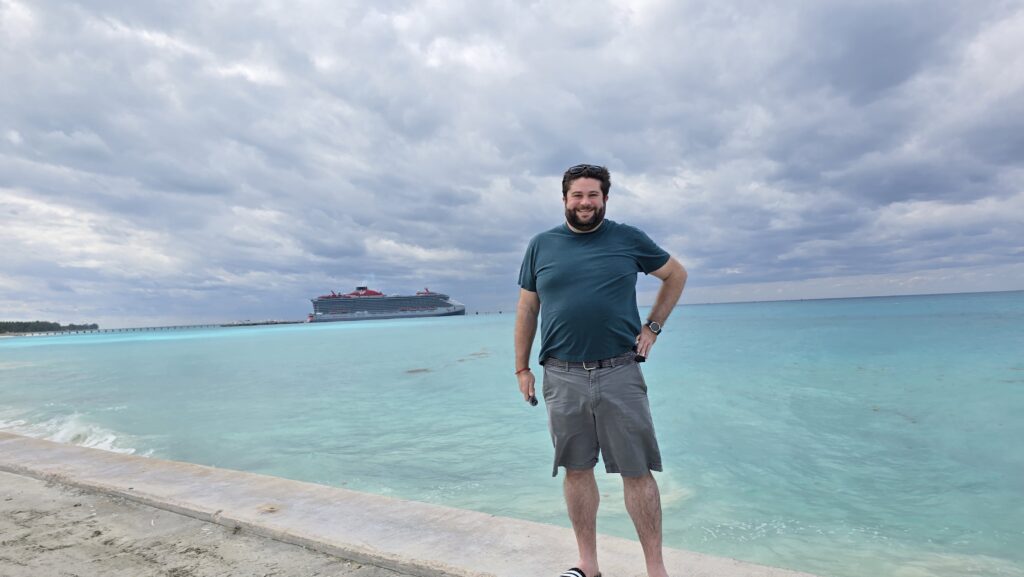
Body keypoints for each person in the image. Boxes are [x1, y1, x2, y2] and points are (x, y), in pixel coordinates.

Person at [514, 163, 687, 577]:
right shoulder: (541, 245)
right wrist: (521, 368)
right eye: (577, 195)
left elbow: (675, 275)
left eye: (593, 195)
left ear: (605, 199)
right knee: (576, 469)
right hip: (561, 374)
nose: (585, 202)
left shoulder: (628, 239)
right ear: (564, 199)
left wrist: (653, 327)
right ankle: (588, 566)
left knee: (637, 470)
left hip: (619, 371)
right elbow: (527, 307)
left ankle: (655, 570)